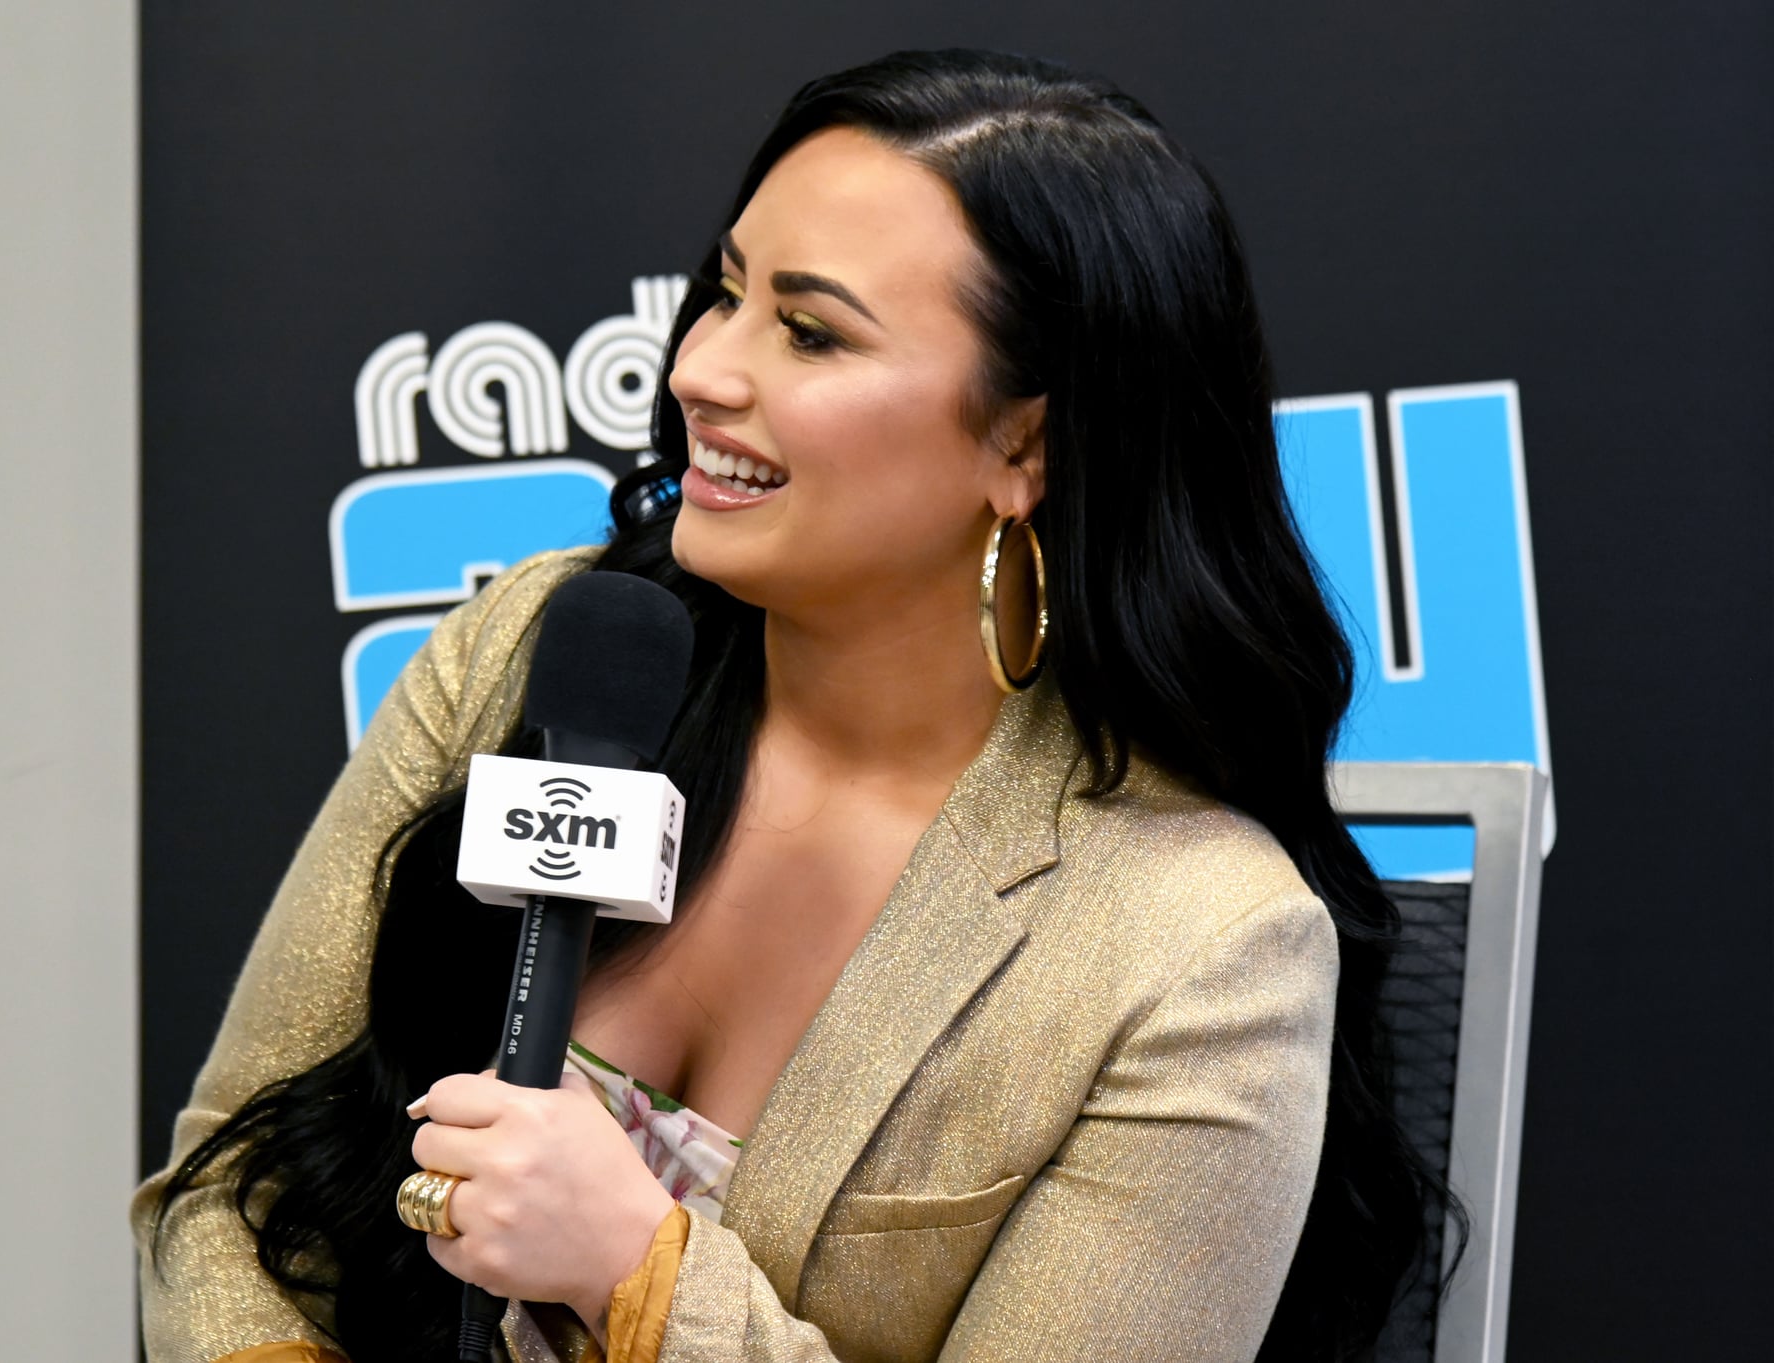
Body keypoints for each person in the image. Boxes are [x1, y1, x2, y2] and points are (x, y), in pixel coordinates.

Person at [133, 47, 1452, 1363]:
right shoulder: (535, 651)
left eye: (810, 330)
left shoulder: (1199, 946)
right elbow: (231, 1192)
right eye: (725, 293)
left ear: (1027, 445)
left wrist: (637, 1273)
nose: (704, 371)